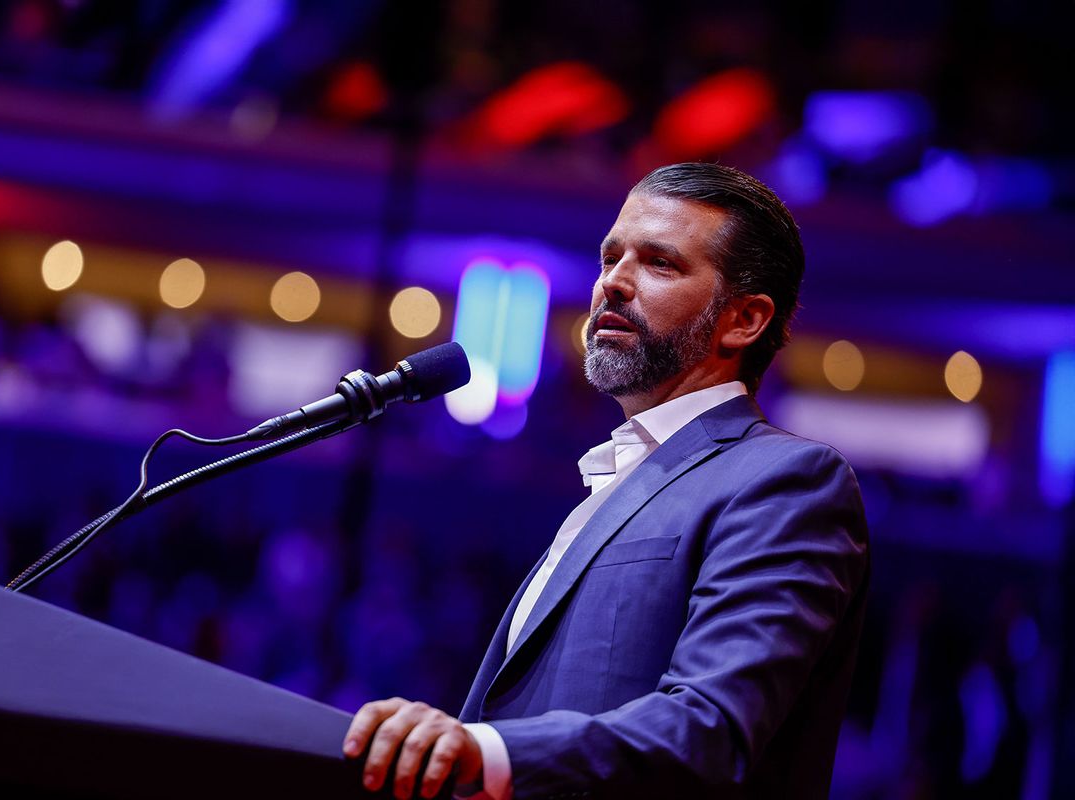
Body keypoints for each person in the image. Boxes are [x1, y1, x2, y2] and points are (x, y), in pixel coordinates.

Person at [343, 163, 870, 799]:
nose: (612, 284)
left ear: (744, 320)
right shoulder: (625, 475)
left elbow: (711, 725)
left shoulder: (785, 480)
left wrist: (484, 749)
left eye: (660, 264)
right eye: (610, 256)